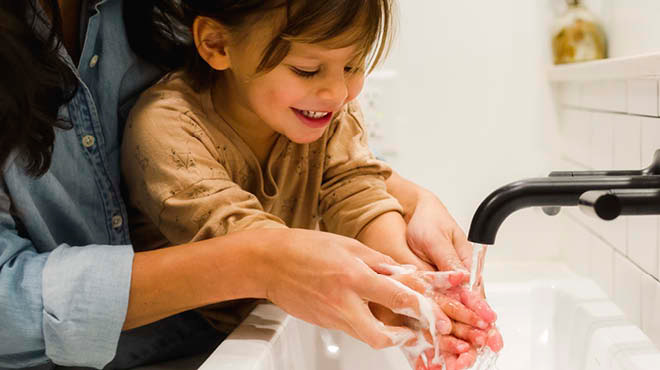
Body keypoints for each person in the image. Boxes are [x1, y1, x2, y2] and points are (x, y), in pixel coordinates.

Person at [0, 1, 495, 369]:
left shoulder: (319, 107)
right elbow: (248, 247)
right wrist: (386, 295)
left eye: (354, 66)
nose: (339, 91)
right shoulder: (168, 127)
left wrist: (422, 289)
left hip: (223, 336)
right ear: (215, 46)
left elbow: (354, 189)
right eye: (308, 69)